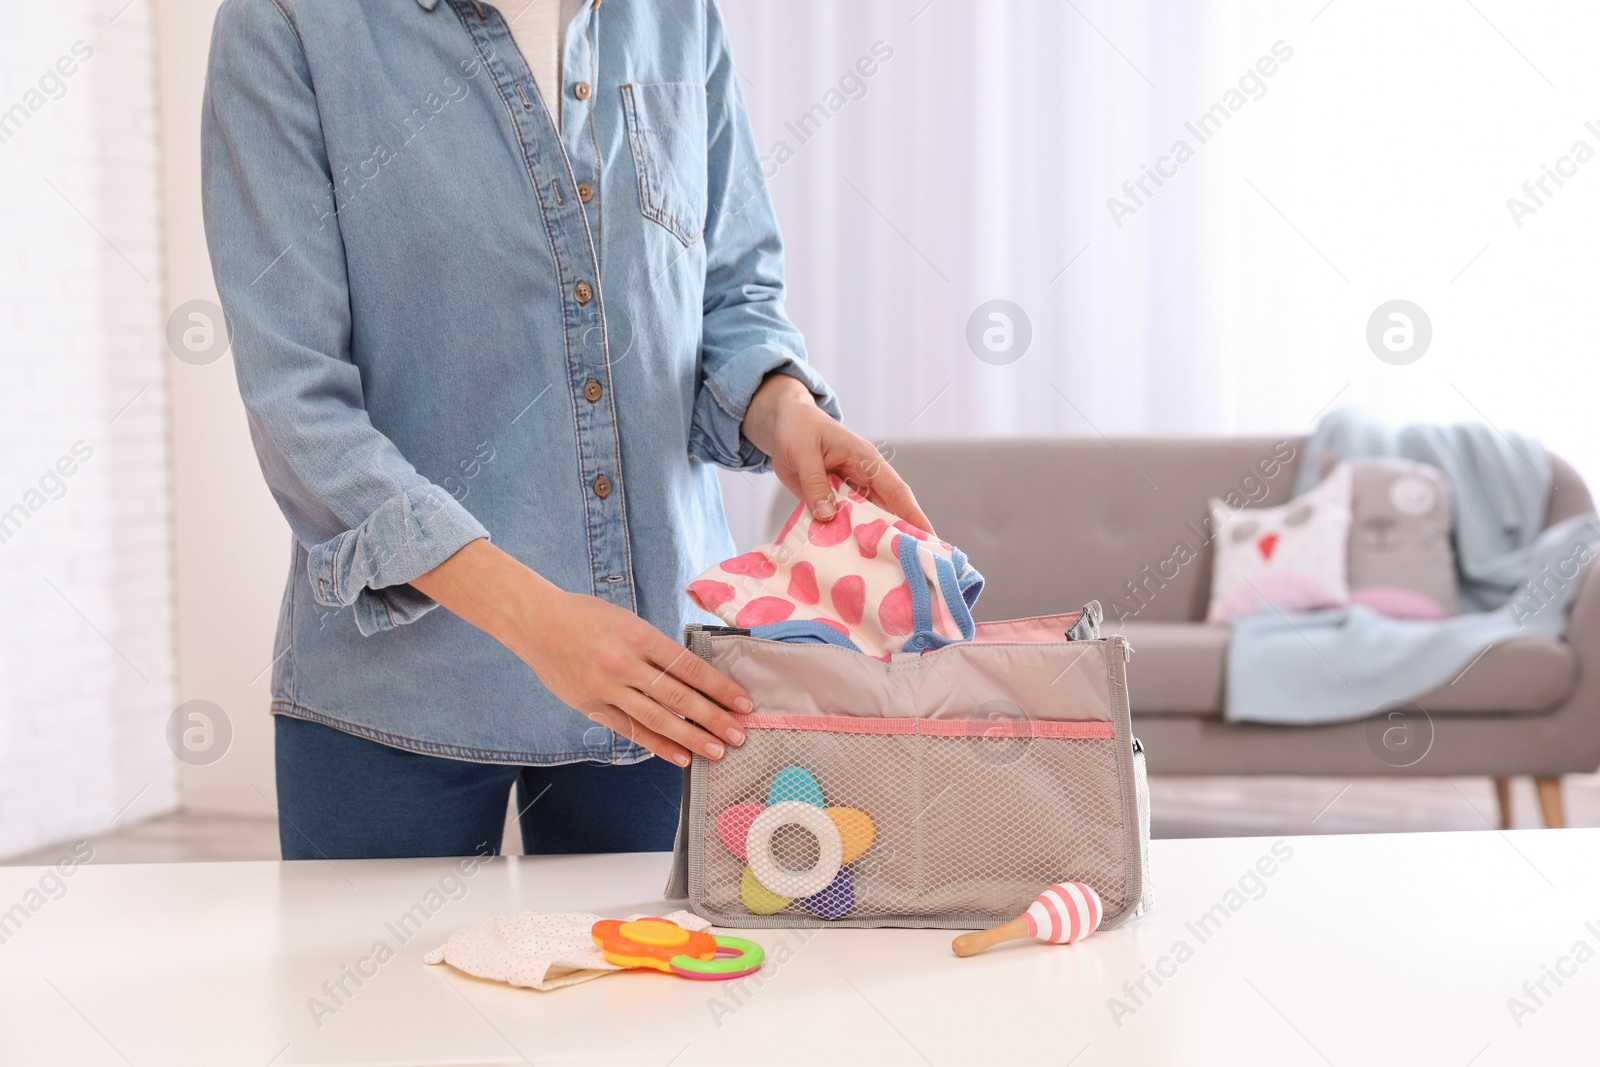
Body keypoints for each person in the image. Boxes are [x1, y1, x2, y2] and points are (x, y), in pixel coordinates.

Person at [200, 0, 931, 860]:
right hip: (397, 697)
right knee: (376, 994)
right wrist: (537, 619)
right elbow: (299, 405)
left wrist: (785, 410)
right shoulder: (287, 23)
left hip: (662, 680)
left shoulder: (676, 14)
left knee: (657, 991)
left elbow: (730, 292)